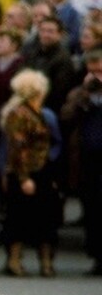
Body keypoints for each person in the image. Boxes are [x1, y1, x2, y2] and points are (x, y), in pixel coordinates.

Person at [0, 69, 60, 277]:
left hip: (43, 169)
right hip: (23, 171)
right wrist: (24, 177)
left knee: (46, 218)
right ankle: (15, 261)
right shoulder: (18, 114)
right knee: (18, 218)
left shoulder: (41, 113)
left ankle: (46, 262)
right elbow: (18, 147)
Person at [60, 48, 102, 276]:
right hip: (87, 161)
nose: (96, 76)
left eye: (99, 71)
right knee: (93, 209)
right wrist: (84, 95)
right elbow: (66, 117)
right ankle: (97, 257)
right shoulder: (80, 93)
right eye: (91, 71)